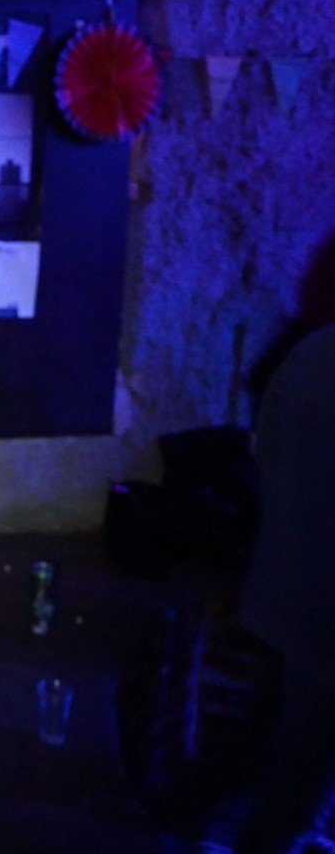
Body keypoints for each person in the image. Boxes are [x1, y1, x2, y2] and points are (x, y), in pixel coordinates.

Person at [234, 323, 335, 853]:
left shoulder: (310, 350)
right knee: (294, 797)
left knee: (278, 769)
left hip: (286, 591)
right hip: (323, 622)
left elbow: (263, 456)